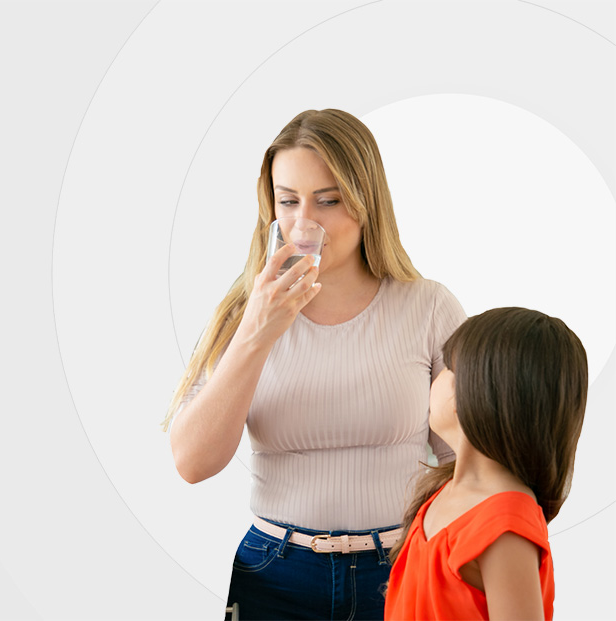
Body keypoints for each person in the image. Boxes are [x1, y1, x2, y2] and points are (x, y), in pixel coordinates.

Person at [162, 109, 466, 620]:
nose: (305, 223)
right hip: (274, 572)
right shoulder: (242, 314)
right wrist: (258, 328)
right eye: (288, 201)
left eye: (328, 200)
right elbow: (192, 463)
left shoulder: (429, 307)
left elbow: (470, 457)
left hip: (402, 566)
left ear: (367, 201)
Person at [385, 307, 589, 620]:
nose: (435, 378)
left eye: (448, 368)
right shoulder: (443, 490)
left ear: (479, 392)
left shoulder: (505, 525)